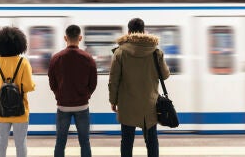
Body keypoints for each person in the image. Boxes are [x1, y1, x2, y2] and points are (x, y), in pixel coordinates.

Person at [108, 18, 170, 157]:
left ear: (129, 32)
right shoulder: (156, 52)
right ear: (144, 31)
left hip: (127, 104)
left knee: (127, 141)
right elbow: (165, 75)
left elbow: (113, 80)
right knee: (152, 140)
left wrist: (113, 101)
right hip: (150, 104)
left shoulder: (120, 52)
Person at [48, 24, 97, 157]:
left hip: (63, 107)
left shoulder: (56, 58)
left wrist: (59, 94)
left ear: (65, 38)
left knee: (60, 142)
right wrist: (85, 95)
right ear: (80, 38)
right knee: (85, 142)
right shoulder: (88, 58)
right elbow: (93, 83)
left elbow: (52, 83)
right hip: (82, 106)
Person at [0, 26, 35, 157]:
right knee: (21, 144)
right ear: (20, 44)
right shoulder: (23, 63)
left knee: (1, 143)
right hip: (20, 110)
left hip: (0, 109)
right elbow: (28, 86)